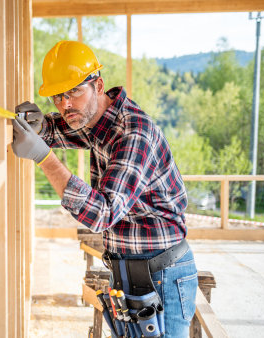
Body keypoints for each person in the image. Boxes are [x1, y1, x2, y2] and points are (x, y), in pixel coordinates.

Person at [12, 40, 197, 338]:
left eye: (74, 91)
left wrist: (43, 157)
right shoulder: (96, 121)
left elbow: (101, 213)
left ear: (98, 85)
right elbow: (65, 127)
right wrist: (39, 128)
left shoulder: (134, 133)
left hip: (162, 276)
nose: (65, 104)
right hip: (129, 272)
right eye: (57, 96)